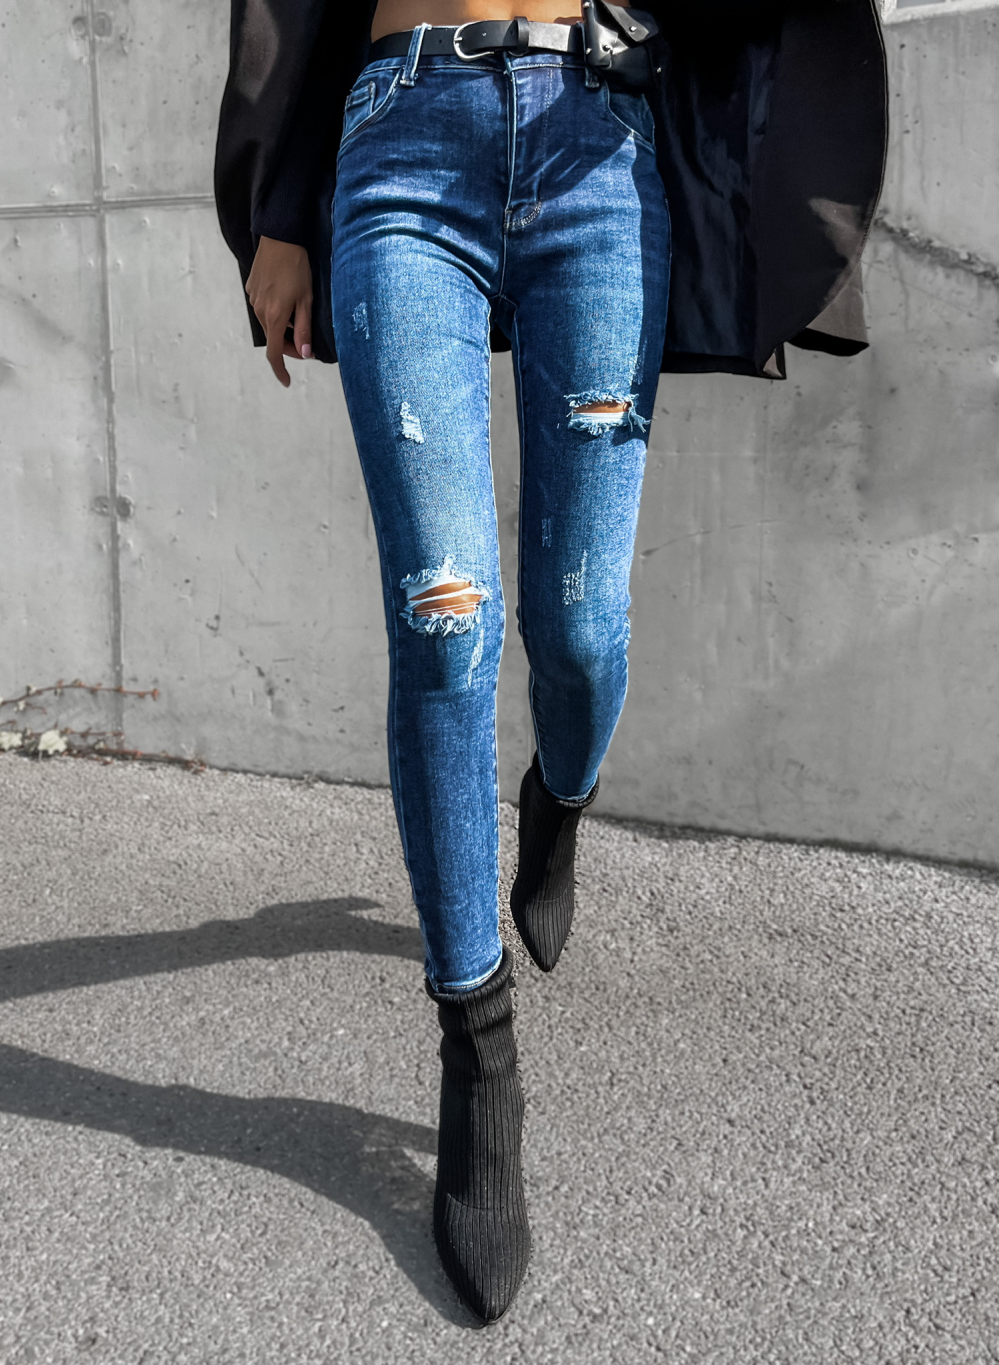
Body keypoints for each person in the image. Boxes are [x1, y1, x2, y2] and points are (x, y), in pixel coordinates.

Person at [215, 0, 887, 1323]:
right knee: (445, 621)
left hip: (598, 145)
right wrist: (281, 211)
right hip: (401, 139)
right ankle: (479, 1051)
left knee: (581, 627)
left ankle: (558, 799)